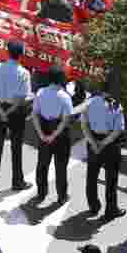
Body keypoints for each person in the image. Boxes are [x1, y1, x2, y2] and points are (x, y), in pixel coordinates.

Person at [0, 40, 32, 189]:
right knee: (16, 146)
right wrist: (9, 112)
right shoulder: (24, 73)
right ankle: (17, 181)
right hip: (16, 112)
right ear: (21, 55)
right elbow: (20, 99)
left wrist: (1, 111)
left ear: (8, 52)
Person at [80, 85, 127, 220]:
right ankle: (111, 210)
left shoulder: (88, 102)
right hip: (110, 144)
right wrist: (103, 143)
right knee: (111, 179)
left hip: (93, 140)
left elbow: (84, 125)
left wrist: (93, 143)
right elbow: (118, 130)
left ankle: (93, 205)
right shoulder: (115, 105)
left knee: (92, 175)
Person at [31, 65, 74, 205]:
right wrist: (54, 135)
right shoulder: (65, 96)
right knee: (61, 167)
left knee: (42, 165)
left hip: (43, 132)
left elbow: (35, 115)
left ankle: (41, 193)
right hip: (60, 136)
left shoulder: (40, 92)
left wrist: (42, 135)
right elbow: (66, 120)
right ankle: (62, 196)